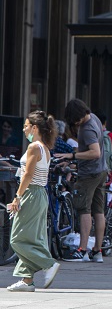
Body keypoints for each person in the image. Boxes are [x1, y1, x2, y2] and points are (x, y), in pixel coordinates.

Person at [6, 111, 60, 292]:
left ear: (35, 128)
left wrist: (17, 197)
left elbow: (28, 175)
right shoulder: (44, 148)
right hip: (40, 195)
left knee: (17, 238)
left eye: (26, 126)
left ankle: (48, 263)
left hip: (31, 193)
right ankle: (27, 280)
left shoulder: (33, 147)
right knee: (31, 237)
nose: (23, 129)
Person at [56, 99, 107, 263]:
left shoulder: (86, 129)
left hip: (89, 174)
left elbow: (94, 152)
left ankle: (82, 250)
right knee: (98, 211)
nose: (75, 125)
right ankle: (97, 251)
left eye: (74, 121)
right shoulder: (94, 118)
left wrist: (73, 156)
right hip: (101, 171)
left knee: (84, 209)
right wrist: (72, 160)